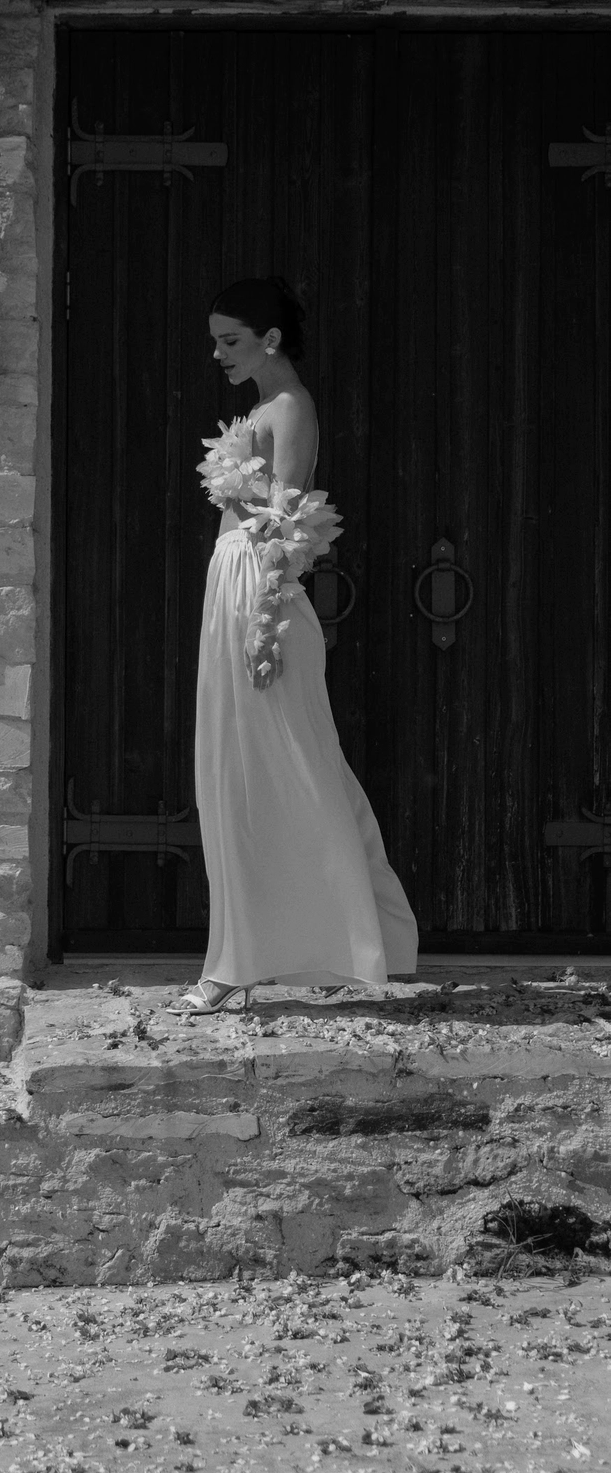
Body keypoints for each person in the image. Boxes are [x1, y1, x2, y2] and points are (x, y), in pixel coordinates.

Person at [178, 277, 419, 1014]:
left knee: (286, 764)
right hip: (232, 583)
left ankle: (312, 948)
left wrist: (265, 625)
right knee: (236, 769)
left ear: (271, 339)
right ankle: (259, 950)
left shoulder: (290, 407)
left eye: (231, 341)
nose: (218, 354)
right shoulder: (260, 409)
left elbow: (285, 522)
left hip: (261, 594)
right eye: (216, 341)